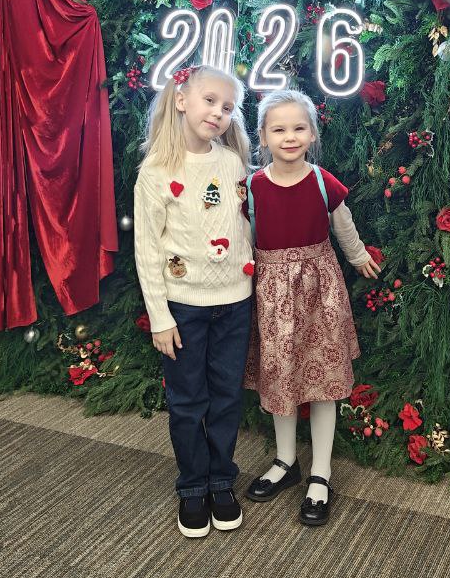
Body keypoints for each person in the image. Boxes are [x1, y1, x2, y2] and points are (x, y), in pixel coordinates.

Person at [243, 89, 381, 526]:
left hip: (320, 292)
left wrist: (358, 256)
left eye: (298, 128)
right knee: (280, 377)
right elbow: (245, 238)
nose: (289, 137)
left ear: (312, 134)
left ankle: (321, 472)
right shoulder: (252, 187)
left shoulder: (323, 181)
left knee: (323, 380)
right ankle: (285, 461)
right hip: (272, 296)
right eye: (279, 129)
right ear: (263, 137)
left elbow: (344, 225)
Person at [133, 64, 254, 539]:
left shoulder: (233, 164)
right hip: (183, 307)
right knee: (187, 401)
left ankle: (221, 481)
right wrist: (160, 317)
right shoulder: (156, 171)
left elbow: (243, 227)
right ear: (182, 100)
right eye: (210, 100)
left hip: (234, 303)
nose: (218, 112)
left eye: (228, 107)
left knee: (226, 396)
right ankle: (192, 486)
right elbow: (147, 249)